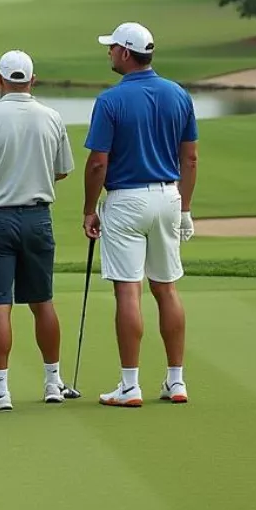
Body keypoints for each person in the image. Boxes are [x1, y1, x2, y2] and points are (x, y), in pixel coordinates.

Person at [83, 22, 199, 407]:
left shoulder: (110, 100)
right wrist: (185, 208)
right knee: (165, 287)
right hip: (168, 197)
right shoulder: (178, 94)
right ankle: (176, 381)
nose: (109, 53)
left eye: (113, 48)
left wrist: (88, 209)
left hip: (126, 201)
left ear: (126, 53)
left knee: (128, 290)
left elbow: (98, 163)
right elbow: (190, 157)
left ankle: (130, 386)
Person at [0, 50, 75, 410]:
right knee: (43, 301)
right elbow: (62, 169)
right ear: (32, 80)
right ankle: (53, 382)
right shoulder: (52, 117)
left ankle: (0, 389)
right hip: (38, 218)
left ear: (0, 80)